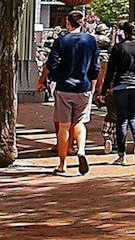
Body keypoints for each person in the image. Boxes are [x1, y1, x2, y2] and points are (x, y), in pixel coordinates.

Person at [39, 10, 102, 175]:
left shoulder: (61, 41)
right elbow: (96, 66)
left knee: (63, 126)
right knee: (80, 123)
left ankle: (62, 163)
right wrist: (93, 85)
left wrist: (46, 78)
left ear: (68, 23)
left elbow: (52, 62)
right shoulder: (91, 41)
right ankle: (81, 150)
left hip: (64, 87)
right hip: (84, 87)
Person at [102, 20, 135, 164]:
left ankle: (121, 154)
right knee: (133, 117)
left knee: (121, 119)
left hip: (121, 85)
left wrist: (103, 90)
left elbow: (110, 70)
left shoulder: (118, 47)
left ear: (125, 32)